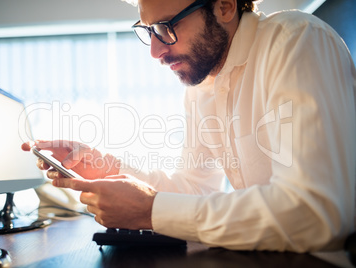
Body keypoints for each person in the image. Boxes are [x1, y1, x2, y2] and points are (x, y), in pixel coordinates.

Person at [22, 0, 356, 252]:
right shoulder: (201, 86)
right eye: (149, 30)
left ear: (224, 6)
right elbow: (197, 189)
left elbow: (313, 213)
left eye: (167, 27)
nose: (154, 51)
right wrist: (107, 169)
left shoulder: (296, 40)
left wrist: (150, 211)